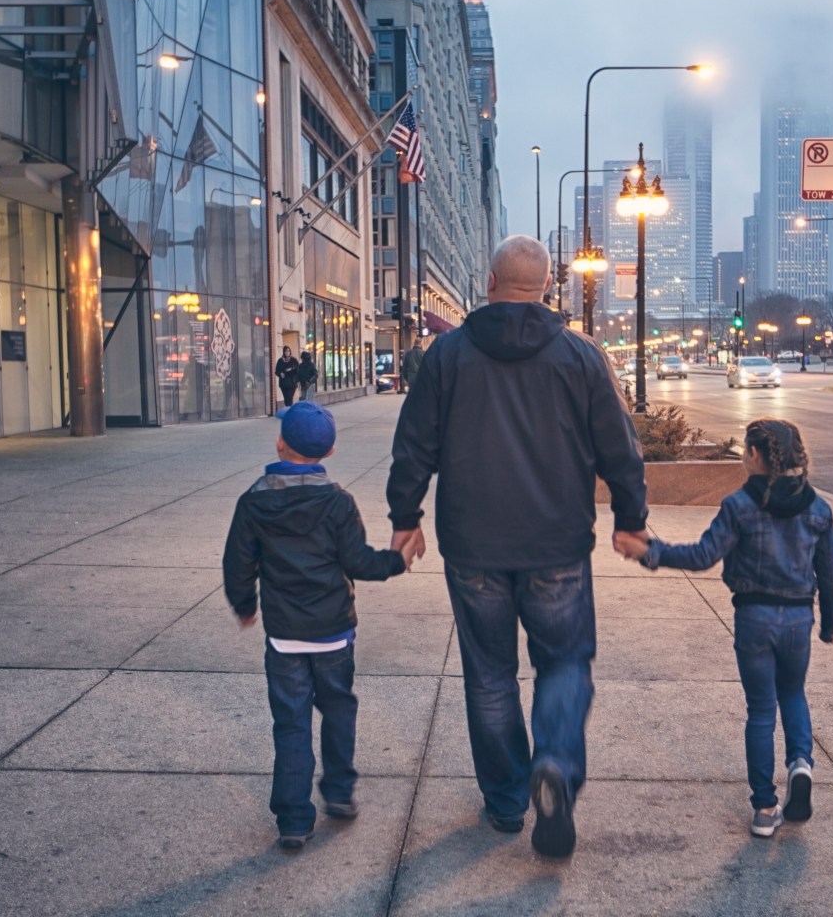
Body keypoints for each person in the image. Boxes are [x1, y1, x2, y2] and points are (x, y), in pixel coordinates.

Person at [386, 234, 648, 858]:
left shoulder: (446, 355)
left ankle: (506, 802)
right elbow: (621, 446)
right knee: (563, 663)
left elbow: (413, 444)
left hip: (473, 544)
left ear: (491, 283)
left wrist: (405, 517)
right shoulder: (580, 357)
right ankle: (554, 762)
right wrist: (631, 518)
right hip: (556, 544)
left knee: (490, 675)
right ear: (549, 288)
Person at [616, 417, 833, 838]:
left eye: (745, 450)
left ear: (756, 456)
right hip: (798, 619)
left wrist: (649, 551)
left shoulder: (739, 506)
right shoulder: (818, 508)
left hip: (754, 619)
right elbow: (830, 572)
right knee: (793, 693)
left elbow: (703, 555)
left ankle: (764, 808)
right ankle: (800, 765)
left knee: (761, 710)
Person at [223, 402, 419, 850]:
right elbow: (358, 562)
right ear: (329, 451)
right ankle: (339, 791)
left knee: (290, 723)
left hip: (285, 637)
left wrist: (245, 605)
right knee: (338, 708)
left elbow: (238, 562)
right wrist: (397, 561)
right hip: (333, 632)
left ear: (279, 443)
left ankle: (293, 819)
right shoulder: (337, 503)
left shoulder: (253, 501)